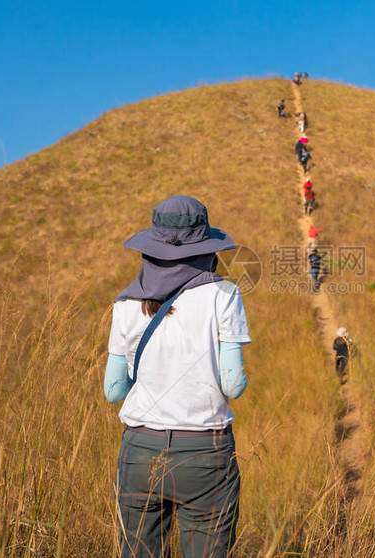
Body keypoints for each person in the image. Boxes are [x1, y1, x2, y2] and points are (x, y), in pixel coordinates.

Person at [104, 195, 251, 558]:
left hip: (139, 452)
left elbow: (112, 390)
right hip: (204, 453)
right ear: (206, 250)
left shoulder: (124, 304)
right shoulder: (224, 294)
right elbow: (233, 383)